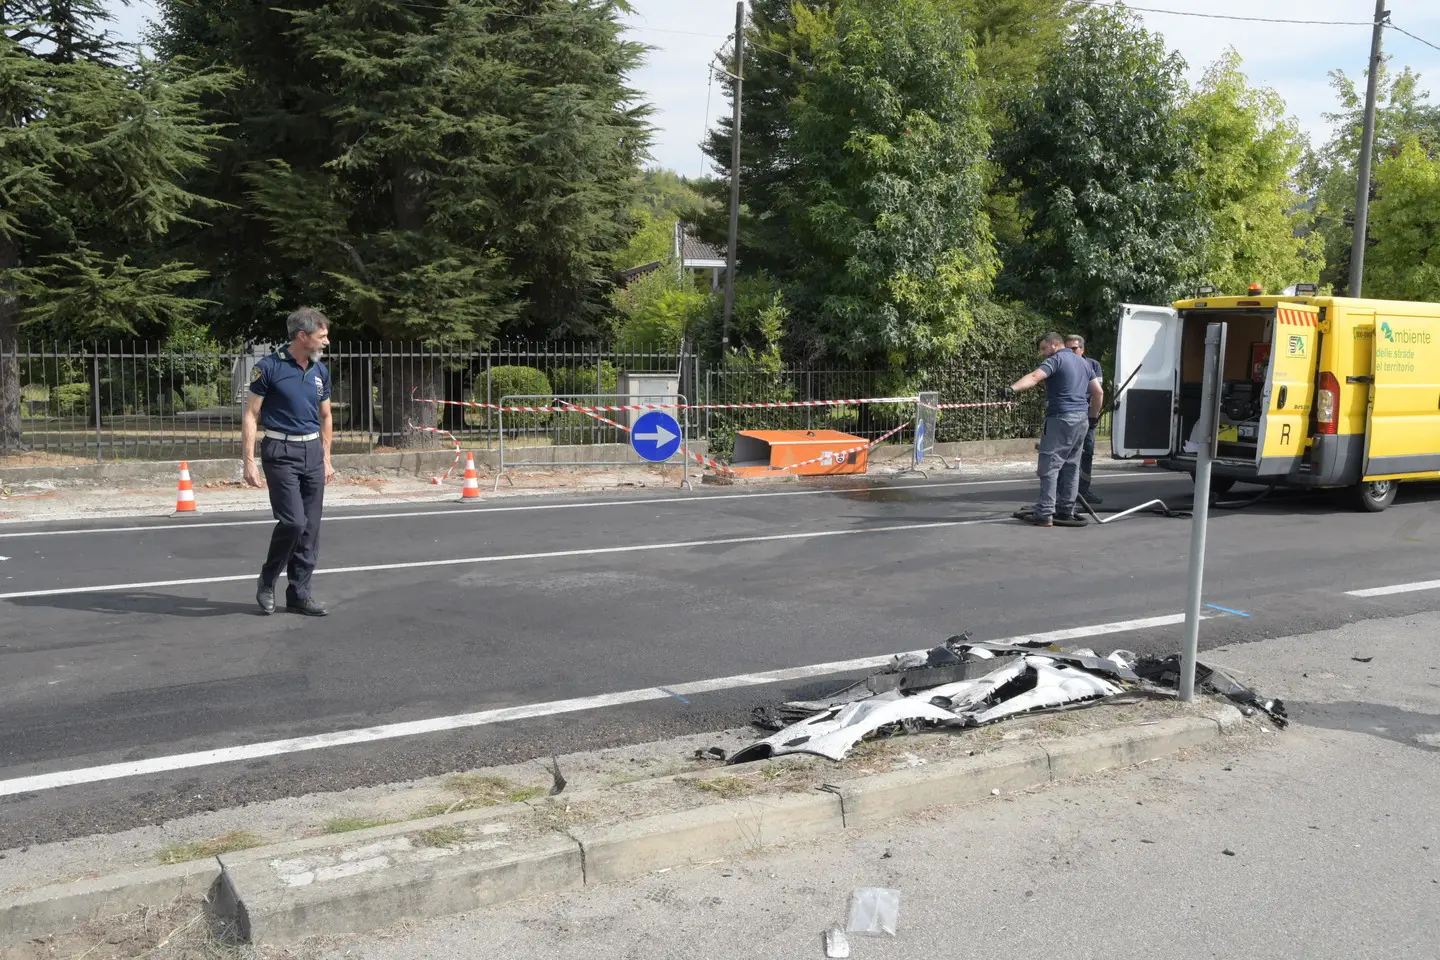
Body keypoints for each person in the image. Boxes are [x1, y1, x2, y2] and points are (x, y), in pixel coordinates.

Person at [242, 308, 337, 616]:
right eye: (321, 335)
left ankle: (299, 593)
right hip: (280, 452)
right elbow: (251, 415)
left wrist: (326, 458)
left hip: (312, 453)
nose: (326, 340)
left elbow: (325, 416)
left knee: (310, 529)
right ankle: (267, 580)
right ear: (302, 336)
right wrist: (249, 461)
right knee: (294, 522)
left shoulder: (320, 371)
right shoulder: (268, 368)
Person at [999, 332, 1103, 527]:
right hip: (1081, 420)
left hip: (1060, 418)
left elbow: (1034, 377)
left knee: (1050, 465)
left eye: (1044, 348)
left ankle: (1045, 512)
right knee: (1072, 466)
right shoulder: (1085, 364)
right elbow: (1098, 392)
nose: (1042, 353)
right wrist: (1093, 418)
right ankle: (1065, 510)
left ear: (1055, 344)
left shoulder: (1056, 360)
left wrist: (1011, 389)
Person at [1065, 334, 1105, 505]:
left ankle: (1083, 490)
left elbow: (1097, 392)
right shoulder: (1062, 364)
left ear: (1082, 349)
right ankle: (1065, 491)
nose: (1070, 352)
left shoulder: (1093, 365)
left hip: (1087, 415)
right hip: (1068, 415)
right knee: (1065, 453)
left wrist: (1094, 417)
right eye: (1067, 349)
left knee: (1086, 453)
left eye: (1074, 348)